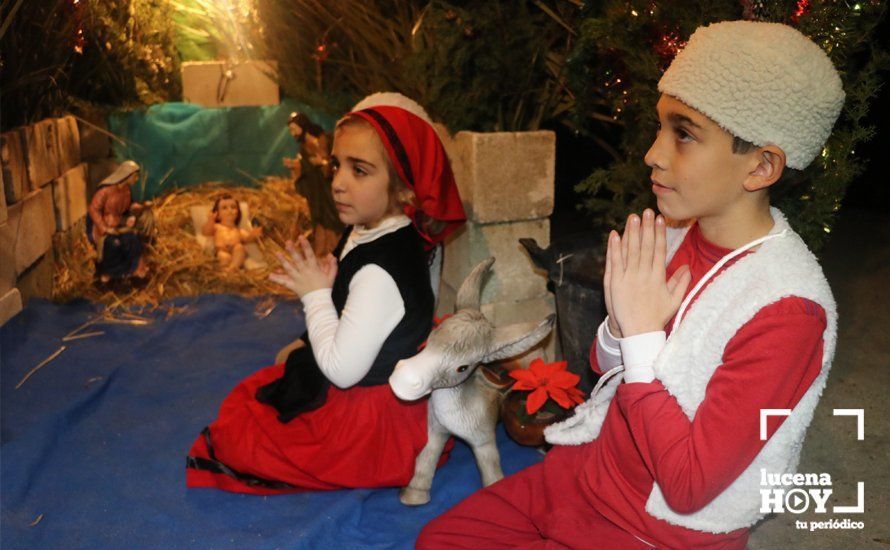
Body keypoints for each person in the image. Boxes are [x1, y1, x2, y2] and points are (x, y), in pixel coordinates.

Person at [419, 21, 843, 549]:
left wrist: (642, 336)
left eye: (683, 134)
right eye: (661, 127)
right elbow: (602, 365)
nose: (653, 153)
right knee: (442, 539)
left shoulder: (787, 313)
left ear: (760, 166)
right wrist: (623, 329)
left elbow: (689, 486)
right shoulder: (670, 236)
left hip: (657, 528)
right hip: (594, 471)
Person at [186, 93, 466, 493]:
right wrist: (320, 302)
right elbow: (347, 293)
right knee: (270, 383)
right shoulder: (371, 226)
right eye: (337, 166)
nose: (337, 183)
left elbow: (342, 371)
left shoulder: (380, 271)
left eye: (360, 171)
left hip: (367, 425)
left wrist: (314, 295)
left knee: (242, 431)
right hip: (361, 380)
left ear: (405, 189)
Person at [284, 111, 345, 257]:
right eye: (290, 130)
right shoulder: (303, 148)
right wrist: (296, 166)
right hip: (317, 193)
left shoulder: (325, 140)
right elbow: (307, 168)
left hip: (329, 190)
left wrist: (323, 163)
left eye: (294, 129)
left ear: (302, 126)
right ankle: (322, 252)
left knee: (333, 219)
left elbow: (337, 162)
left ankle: (336, 251)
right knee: (319, 219)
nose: (293, 133)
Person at [86, 160, 150, 283]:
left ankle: (131, 271)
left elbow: (128, 207)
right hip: (104, 227)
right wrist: (104, 228)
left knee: (133, 239)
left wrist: (138, 208)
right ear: (127, 175)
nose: (136, 179)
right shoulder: (105, 191)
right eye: (135, 176)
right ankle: (107, 273)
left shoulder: (127, 190)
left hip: (120, 226)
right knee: (114, 244)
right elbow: (93, 209)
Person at [201, 193, 263, 272]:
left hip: (236, 250)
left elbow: (247, 239)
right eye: (224, 208)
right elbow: (206, 232)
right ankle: (226, 271)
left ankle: (233, 268)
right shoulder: (217, 227)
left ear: (238, 213)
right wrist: (211, 220)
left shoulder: (239, 230)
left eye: (233, 207)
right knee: (223, 257)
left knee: (240, 248)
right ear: (218, 214)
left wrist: (253, 235)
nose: (230, 210)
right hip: (222, 250)